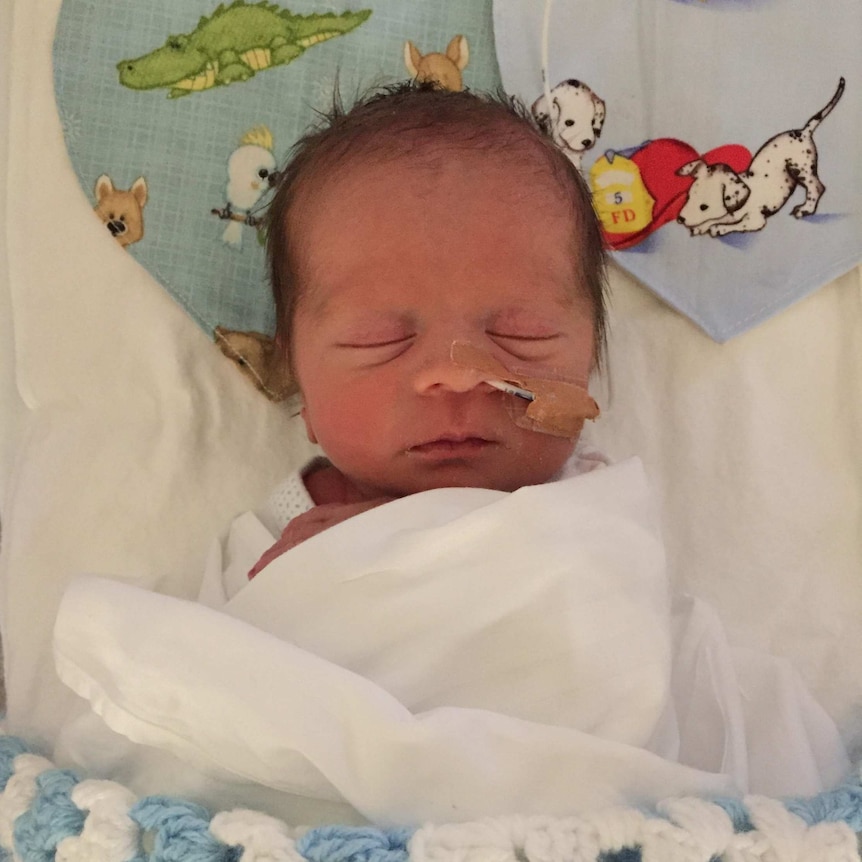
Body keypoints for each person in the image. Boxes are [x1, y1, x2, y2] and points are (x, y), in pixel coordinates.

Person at [249, 80, 609, 577]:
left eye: (522, 333)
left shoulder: (598, 506)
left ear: (589, 359)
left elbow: (620, 619)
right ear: (299, 381)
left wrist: (403, 541)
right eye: (378, 338)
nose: (456, 374)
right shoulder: (267, 539)